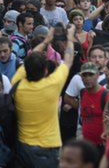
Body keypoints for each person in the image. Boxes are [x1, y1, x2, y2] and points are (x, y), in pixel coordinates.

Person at [12, 25, 76, 167]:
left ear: (25, 69)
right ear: (46, 70)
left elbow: (30, 58)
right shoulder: (52, 85)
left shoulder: (17, 83)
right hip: (49, 145)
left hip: (23, 145)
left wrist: (46, 41)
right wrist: (70, 39)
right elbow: (68, 60)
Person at [79, 62, 109, 152]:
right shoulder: (82, 92)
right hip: (86, 145)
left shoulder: (105, 95)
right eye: (84, 75)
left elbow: (108, 120)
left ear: (97, 75)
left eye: (91, 74)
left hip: (101, 146)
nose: (87, 78)